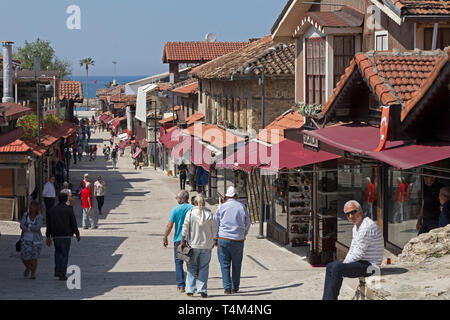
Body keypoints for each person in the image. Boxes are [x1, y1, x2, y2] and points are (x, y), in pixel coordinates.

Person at [322, 200, 384, 300]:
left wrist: (345, 263)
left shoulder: (366, 226)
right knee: (330, 266)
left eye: (353, 212)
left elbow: (359, 253)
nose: (351, 216)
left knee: (336, 268)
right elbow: (353, 248)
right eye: (348, 214)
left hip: (371, 266)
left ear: (360, 211)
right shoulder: (357, 227)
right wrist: (345, 261)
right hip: (362, 262)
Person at [179, 195, 216, 298]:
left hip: (193, 245)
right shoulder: (210, 214)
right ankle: (202, 290)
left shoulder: (190, 214)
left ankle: (190, 290)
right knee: (204, 267)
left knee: (191, 267)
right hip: (207, 245)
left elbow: (185, 229)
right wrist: (214, 240)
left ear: (194, 203)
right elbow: (214, 230)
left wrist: (182, 242)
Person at [215, 186, 250, 294]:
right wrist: (244, 234)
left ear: (226, 196)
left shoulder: (221, 207)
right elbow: (247, 222)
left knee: (224, 264)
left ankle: (227, 287)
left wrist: (216, 236)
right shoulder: (242, 207)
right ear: (236, 196)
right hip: (238, 239)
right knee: (236, 264)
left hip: (223, 238)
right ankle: (235, 287)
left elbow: (217, 223)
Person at [163, 190, 194, 293]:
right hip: (191, 240)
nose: (176, 199)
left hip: (178, 241)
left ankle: (181, 286)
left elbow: (169, 225)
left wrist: (165, 237)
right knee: (191, 263)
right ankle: (191, 284)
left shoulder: (175, 210)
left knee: (178, 263)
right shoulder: (193, 209)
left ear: (181, 199)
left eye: (177, 197)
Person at [46, 193, 80, 280]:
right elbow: (73, 222)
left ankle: (57, 270)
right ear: (66, 200)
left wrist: (48, 236)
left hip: (56, 235)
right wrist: (77, 233)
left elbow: (48, 224)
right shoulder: (69, 210)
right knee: (64, 254)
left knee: (57, 253)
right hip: (66, 235)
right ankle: (62, 273)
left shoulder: (52, 210)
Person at [20, 201, 43, 280]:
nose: (32, 208)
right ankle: (28, 268)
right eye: (31, 206)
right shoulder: (25, 215)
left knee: (34, 257)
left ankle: (33, 273)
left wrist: (29, 225)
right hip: (25, 239)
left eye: (34, 206)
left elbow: (38, 227)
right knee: (24, 257)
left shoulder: (39, 217)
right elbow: (21, 225)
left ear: (37, 207)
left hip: (36, 241)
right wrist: (27, 227)